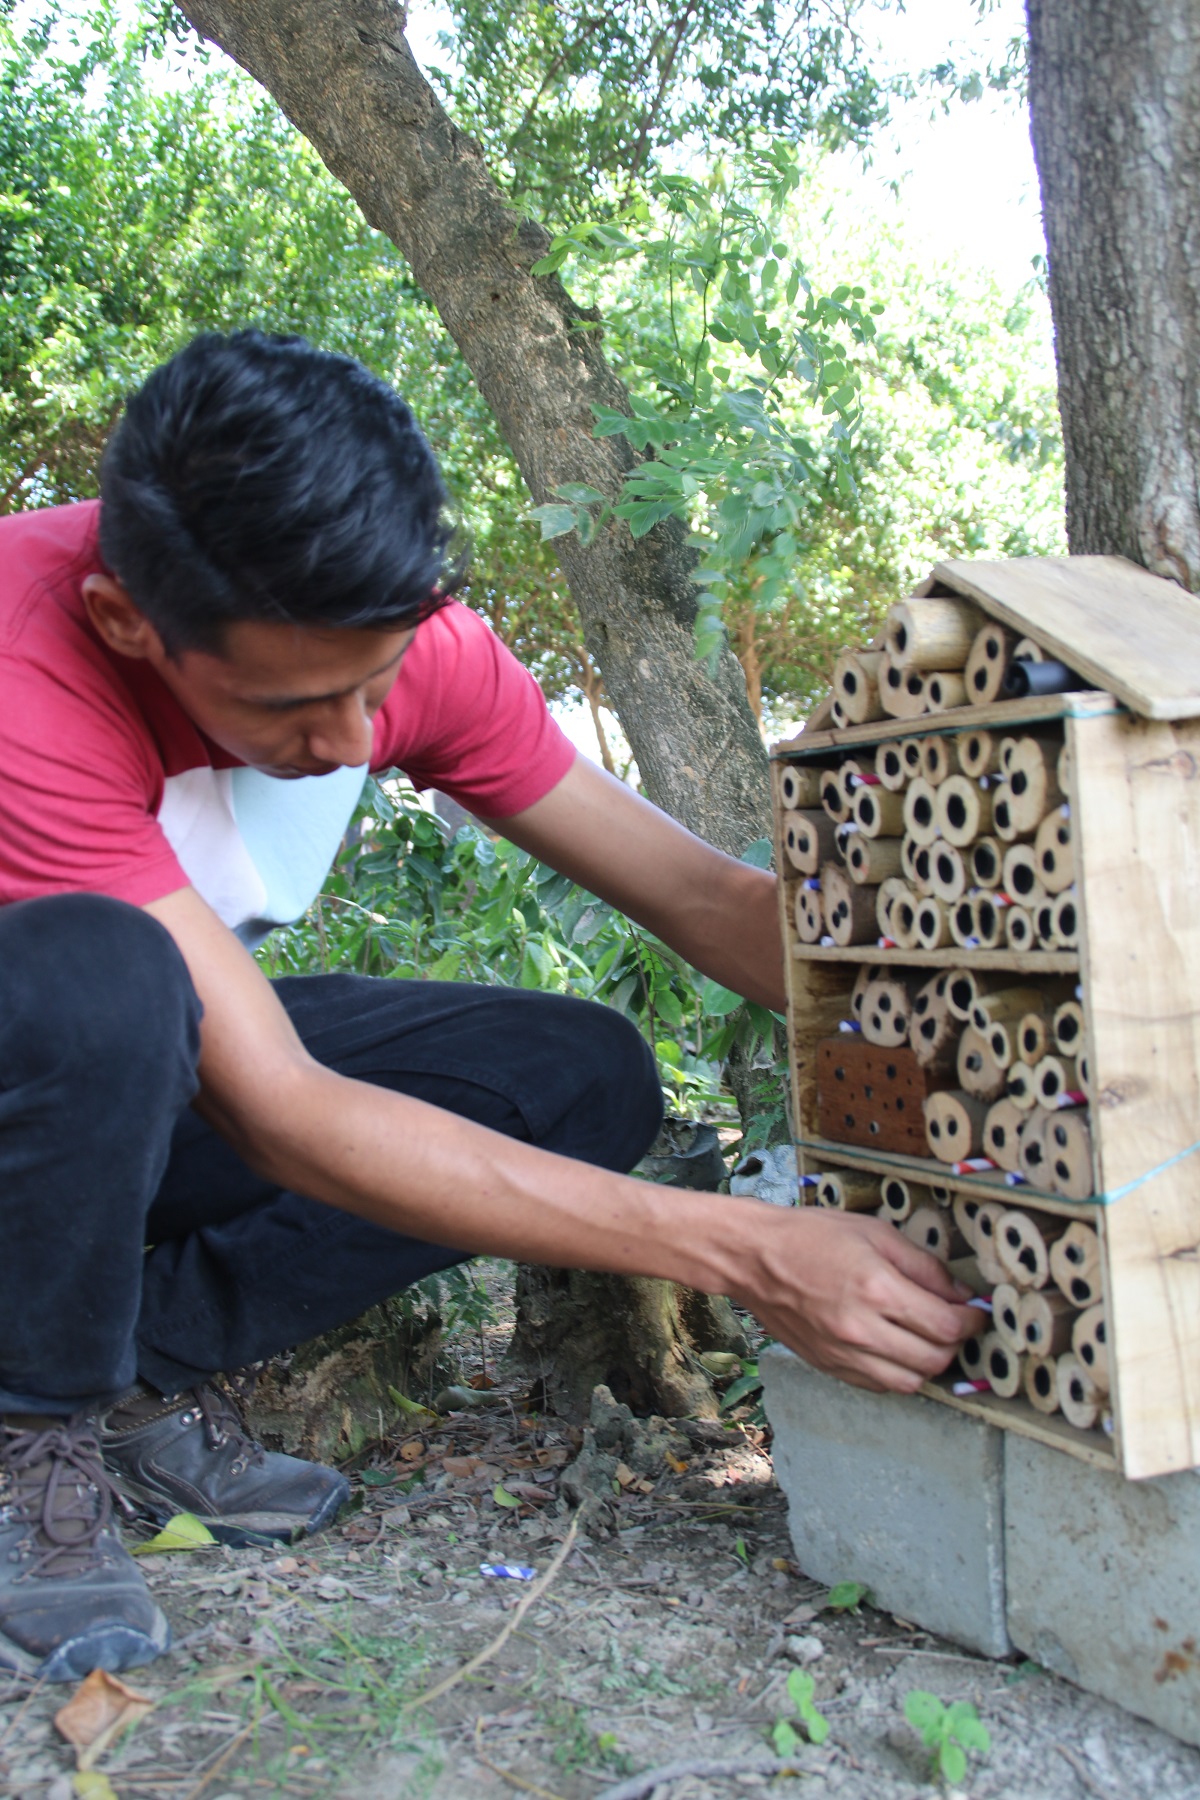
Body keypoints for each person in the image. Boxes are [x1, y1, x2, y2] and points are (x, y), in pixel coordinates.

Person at [0, 331, 978, 1683]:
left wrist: (983, 1000)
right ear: (127, 622)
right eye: (295, 703)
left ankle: (129, 1361)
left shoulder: (411, 649)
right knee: (103, 980)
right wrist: (747, 1250)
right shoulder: (24, 672)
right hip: (38, 1079)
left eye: (378, 685)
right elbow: (284, 1112)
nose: (353, 741)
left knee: (578, 1073)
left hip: (106, 1111)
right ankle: (30, 1424)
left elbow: (701, 899)